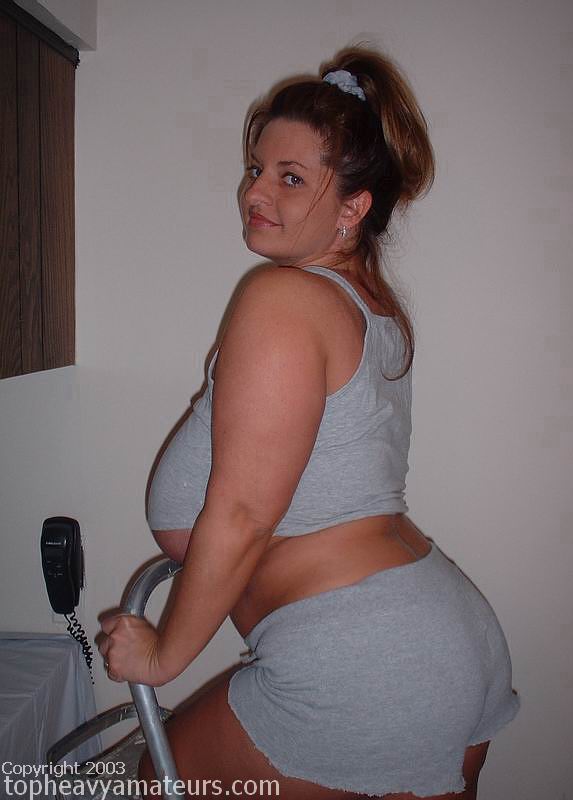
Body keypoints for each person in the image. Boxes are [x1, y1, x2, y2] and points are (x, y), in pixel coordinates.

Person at [99, 46, 520, 799]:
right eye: (255, 168)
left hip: (365, 659)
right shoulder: (371, 310)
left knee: (147, 787)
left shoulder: (284, 298)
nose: (255, 190)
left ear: (353, 208)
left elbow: (243, 513)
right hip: (438, 638)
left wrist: (163, 658)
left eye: (291, 177)